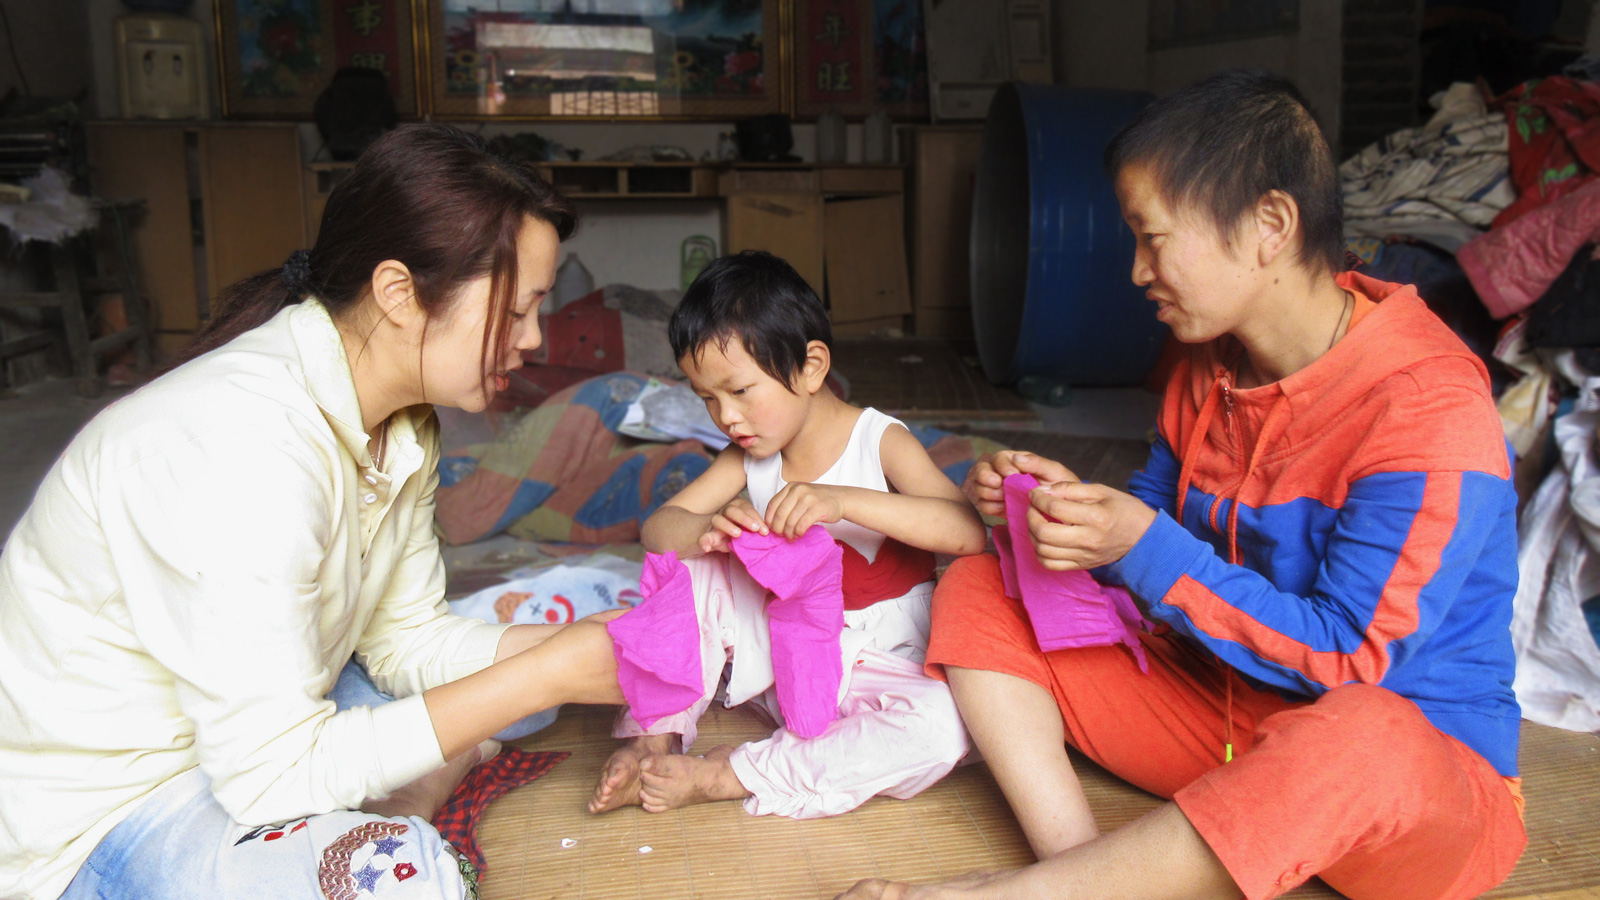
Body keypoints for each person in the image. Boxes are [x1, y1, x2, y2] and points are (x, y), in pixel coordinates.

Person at [838, 70, 1526, 900]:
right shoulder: (1207, 362)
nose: (1136, 271)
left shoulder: (1424, 404)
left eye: (1152, 237)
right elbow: (1152, 529)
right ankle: (1080, 863)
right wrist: (1066, 513)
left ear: (1270, 225)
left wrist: (1140, 543)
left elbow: (1350, 659)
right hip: (1217, 716)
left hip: (1400, 790)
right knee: (986, 581)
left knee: (1369, 731)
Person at [0, 124, 624, 900]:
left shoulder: (403, 423)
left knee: (581, 624)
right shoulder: (239, 447)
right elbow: (271, 776)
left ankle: (419, 780)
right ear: (399, 292)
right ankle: (414, 800)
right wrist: (542, 677)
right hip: (118, 811)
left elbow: (406, 641)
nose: (533, 339)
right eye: (521, 309)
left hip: (258, 727)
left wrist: (603, 652)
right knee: (397, 877)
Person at [587, 250, 986, 819]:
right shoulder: (746, 456)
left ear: (811, 367)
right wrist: (709, 528)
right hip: (784, 658)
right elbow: (657, 529)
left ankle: (735, 773)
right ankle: (654, 737)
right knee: (692, 563)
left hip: (881, 663)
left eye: (740, 391)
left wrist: (844, 502)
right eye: (707, 398)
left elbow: (969, 533)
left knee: (945, 730)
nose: (725, 416)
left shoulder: (880, 441)